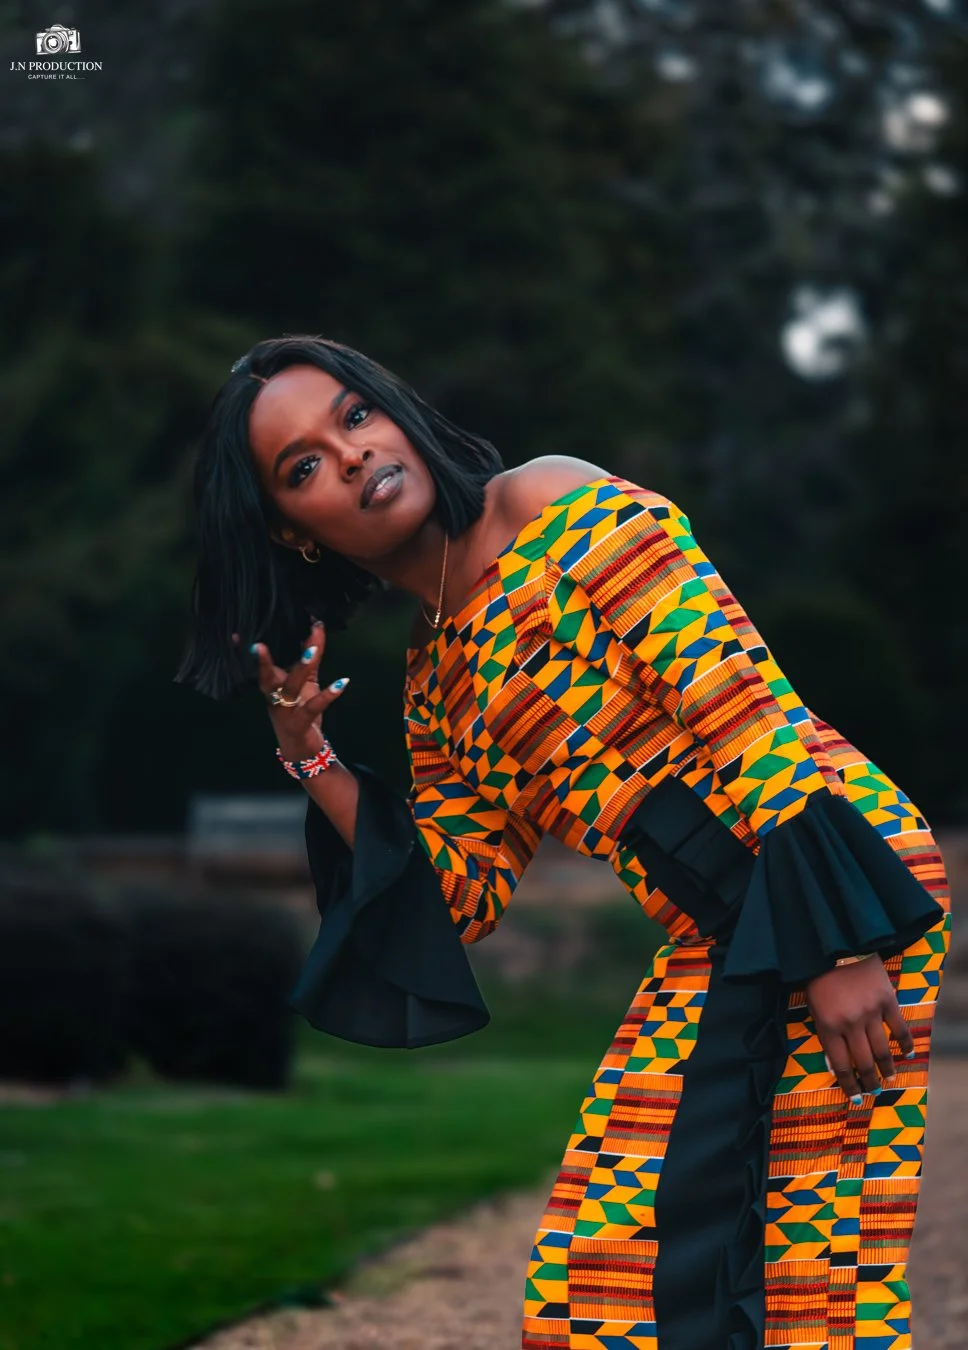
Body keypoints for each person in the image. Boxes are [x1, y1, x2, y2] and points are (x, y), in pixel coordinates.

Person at [177, 334, 949, 1350]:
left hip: (819, 874)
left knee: (750, 1258)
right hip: (719, 929)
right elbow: (463, 893)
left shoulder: (556, 505)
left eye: (353, 416)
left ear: (398, 411)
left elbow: (737, 710)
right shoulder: (435, 684)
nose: (352, 454)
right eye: (304, 466)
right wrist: (313, 758)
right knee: (650, 1264)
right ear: (295, 534)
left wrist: (836, 942)